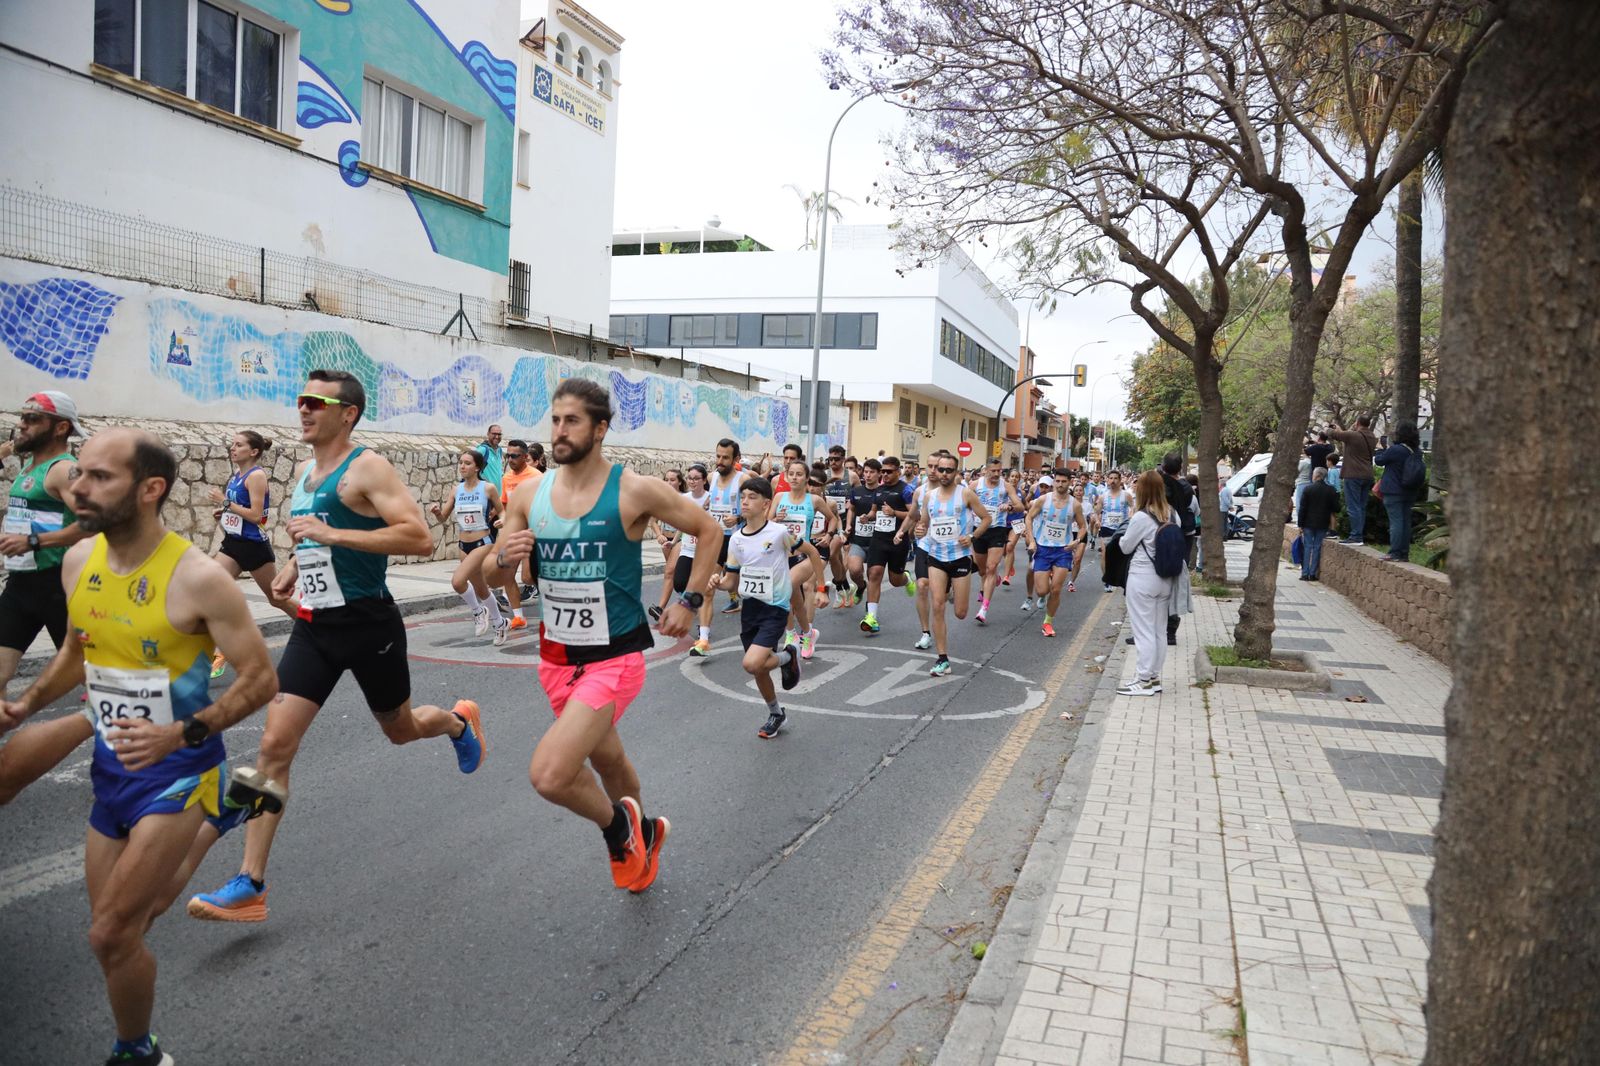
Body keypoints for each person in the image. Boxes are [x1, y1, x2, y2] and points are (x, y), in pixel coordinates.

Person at [1, 428, 278, 1066]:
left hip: (179, 766)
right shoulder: (78, 561)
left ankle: (137, 1052)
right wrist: (25, 705)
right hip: (112, 768)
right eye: (81, 474)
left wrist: (182, 733)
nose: (79, 486)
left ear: (150, 489)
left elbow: (262, 679)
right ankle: (230, 812)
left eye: (100, 476)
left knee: (109, 933)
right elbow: (76, 653)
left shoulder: (201, 578)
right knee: (140, 919)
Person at [188, 369, 485, 922]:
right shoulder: (304, 471)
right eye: (299, 400)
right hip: (315, 624)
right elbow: (316, 530)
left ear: (346, 413)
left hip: (369, 624)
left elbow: (419, 537)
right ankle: (251, 882)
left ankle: (455, 723)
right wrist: (295, 566)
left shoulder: (367, 466)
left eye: (313, 402)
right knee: (276, 746)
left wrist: (334, 537)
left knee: (399, 730)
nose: (302, 410)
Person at [487, 378, 721, 890]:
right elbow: (489, 570)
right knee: (607, 757)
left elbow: (709, 531)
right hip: (555, 658)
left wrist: (691, 598)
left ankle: (619, 830)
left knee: (550, 774)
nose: (559, 430)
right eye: (554, 420)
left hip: (613, 658)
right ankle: (649, 832)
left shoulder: (632, 489)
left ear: (599, 428)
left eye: (571, 420)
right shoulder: (529, 493)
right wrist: (505, 557)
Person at [711, 477, 819, 737]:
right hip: (751, 609)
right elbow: (731, 581)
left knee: (752, 663)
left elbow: (813, 553)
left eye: (752, 497)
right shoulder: (736, 539)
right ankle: (775, 713)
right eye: (743, 496)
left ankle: (787, 656)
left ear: (766, 504)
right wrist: (718, 582)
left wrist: (822, 588)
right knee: (759, 668)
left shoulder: (779, 533)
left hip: (775, 608)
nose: (745, 501)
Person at [1, 391, 90, 697]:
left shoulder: (64, 471)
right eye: (22, 417)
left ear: (61, 428)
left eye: (32, 419)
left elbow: (93, 523)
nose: (22, 424)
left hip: (59, 586)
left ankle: (133, 733)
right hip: (20, 585)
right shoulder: (30, 468)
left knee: (93, 680)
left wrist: (35, 541)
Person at [206, 430, 296, 677]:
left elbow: (258, 516)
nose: (232, 449)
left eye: (238, 445)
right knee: (209, 591)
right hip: (234, 544)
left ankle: (316, 626)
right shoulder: (238, 475)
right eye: (232, 444)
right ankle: (220, 652)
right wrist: (225, 513)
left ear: (253, 451)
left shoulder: (256, 476)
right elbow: (240, 510)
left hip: (254, 546)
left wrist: (225, 503)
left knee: (276, 598)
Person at [911, 454, 990, 675]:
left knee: (961, 613)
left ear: (956, 472)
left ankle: (953, 588)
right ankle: (942, 658)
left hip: (960, 557)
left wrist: (972, 537)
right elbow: (923, 523)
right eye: (940, 469)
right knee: (937, 605)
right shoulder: (929, 497)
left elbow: (986, 519)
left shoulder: (965, 494)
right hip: (936, 556)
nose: (943, 474)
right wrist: (919, 530)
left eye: (948, 470)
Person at [431, 450, 511, 645]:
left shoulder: (488, 488)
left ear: (477, 467)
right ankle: (500, 623)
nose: (462, 466)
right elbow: (443, 518)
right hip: (463, 544)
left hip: (483, 542)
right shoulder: (456, 490)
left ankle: (478, 611)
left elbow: (502, 512)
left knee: (458, 582)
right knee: (481, 588)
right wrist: (436, 513)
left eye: (467, 463)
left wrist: (502, 521)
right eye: (460, 462)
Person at [1116, 470, 1178, 696]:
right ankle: (1153, 677)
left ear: (1141, 490)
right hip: (1166, 578)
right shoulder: (1172, 514)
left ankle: (1143, 680)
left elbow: (1125, 546)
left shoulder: (1141, 517)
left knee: (1143, 631)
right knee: (1159, 630)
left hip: (1143, 578)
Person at [694, 438, 747, 649]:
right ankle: (704, 639)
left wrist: (739, 518)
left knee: (744, 588)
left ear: (736, 459)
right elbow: (711, 501)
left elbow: (759, 507)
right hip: (716, 539)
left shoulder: (744, 480)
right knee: (707, 587)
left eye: (725, 457)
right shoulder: (711, 477)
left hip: (739, 541)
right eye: (718, 456)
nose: (720, 461)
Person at [1022, 472, 1085, 638]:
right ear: (1053, 482)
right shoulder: (1044, 500)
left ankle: (1048, 623)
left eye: (1064, 481)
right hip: (1043, 548)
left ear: (1070, 482)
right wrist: (1032, 540)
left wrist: (1076, 540)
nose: (1060, 484)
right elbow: (1028, 518)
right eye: (1057, 481)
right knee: (1042, 591)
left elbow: (1083, 526)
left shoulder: (1075, 505)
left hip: (1063, 550)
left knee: (1056, 589)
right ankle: (1045, 586)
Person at [860, 455, 916, 636]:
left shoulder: (906, 490)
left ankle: (906, 578)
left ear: (898, 472)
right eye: (883, 471)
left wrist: (894, 513)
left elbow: (913, 515)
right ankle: (871, 618)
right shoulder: (879, 490)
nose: (885, 474)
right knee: (874, 574)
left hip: (897, 540)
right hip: (878, 539)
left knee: (894, 579)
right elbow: (875, 511)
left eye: (889, 472)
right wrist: (867, 517)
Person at [970, 457, 1022, 624]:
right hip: (979, 530)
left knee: (991, 568)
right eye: (993, 471)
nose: (996, 474)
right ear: (985, 470)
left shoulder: (1005, 486)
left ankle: (984, 608)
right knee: (982, 570)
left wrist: (1010, 507)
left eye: (999, 471)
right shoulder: (975, 486)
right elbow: (963, 504)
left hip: (997, 530)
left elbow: (1020, 506)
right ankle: (994, 579)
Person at [1373, 421, 1425, 562]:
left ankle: (1394, 552)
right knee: (1405, 522)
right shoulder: (1416, 451)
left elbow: (1379, 460)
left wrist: (1379, 448)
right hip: (1410, 490)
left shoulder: (1396, 450)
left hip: (1393, 491)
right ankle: (1403, 553)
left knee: (1396, 521)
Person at [1161, 453, 1198, 644]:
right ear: (1180, 468)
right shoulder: (1187, 489)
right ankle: (1171, 631)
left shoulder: (1158, 486)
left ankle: (1152, 630)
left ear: (1163, 467)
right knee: (1176, 585)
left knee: (1156, 585)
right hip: (1183, 540)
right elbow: (1195, 511)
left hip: (1159, 542)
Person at [1327, 415, 1378, 543]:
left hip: (1353, 474)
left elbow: (1331, 433)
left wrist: (1330, 428)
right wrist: (1341, 430)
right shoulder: (1372, 437)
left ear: (1358, 423)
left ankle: (1356, 536)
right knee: (1361, 506)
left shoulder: (1353, 435)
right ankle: (1359, 535)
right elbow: (1344, 435)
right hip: (1367, 475)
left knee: (1353, 506)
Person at [501, 439, 540, 601]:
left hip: (533, 533)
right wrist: (503, 519)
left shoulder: (536, 477)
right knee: (505, 574)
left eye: (514, 456)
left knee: (527, 577)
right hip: (513, 532)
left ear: (525, 457)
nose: (510, 460)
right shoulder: (506, 478)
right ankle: (518, 616)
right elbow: (504, 504)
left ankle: (553, 594)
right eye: (507, 456)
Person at [648, 468, 688, 624]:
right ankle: (690, 599)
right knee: (677, 575)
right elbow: (652, 522)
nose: (669, 482)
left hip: (681, 539)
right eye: (666, 479)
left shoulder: (685, 498)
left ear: (679, 482)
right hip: (666, 541)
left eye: (672, 480)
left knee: (669, 572)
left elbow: (684, 522)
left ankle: (660, 609)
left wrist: (675, 539)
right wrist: (659, 535)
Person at [842, 459, 881, 609]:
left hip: (877, 542)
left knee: (874, 575)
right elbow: (851, 508)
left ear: (878, 474)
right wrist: (848, 525)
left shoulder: (883, 492)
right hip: (858, 539)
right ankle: (860, 586)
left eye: (872, 472)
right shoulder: (856, 491)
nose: (868, 475)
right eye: (866, 472)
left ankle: (870, 607)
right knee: (854, 570)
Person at [1297, 468, 1340, 580]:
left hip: (1308, 523)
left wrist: (1300, 524)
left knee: (1307, 547)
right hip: (1322, 523)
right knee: (1317, 547)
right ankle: (1312, 573)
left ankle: (1304, 573)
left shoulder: (1308, 489)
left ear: (1316, 476)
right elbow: (1336, 508)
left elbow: (1302, 508)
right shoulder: (1331, 490)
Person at [1097, 470, 1135, 592]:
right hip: (1107, 528)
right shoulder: (1103, 496)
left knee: (1122, 554)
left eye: (1115, 478)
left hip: (1122, 529)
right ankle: (1107, 580)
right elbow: (1097, 511)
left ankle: (1121, 577)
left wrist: (1131, 517)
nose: (1113, 481)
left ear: (1120, 480)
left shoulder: (1126, 495)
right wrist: (1097, 520)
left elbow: (1133, 508)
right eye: (1110, 478)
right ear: (1107, 480)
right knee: (1105, 554)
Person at [474, 423, 505, 493]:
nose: (497, 436)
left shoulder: (499, 450)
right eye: (494, 434)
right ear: (488, 434)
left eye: (499, 434)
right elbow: (471, 467)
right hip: (485, 493)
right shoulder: (482, 450)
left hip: (497, 494)